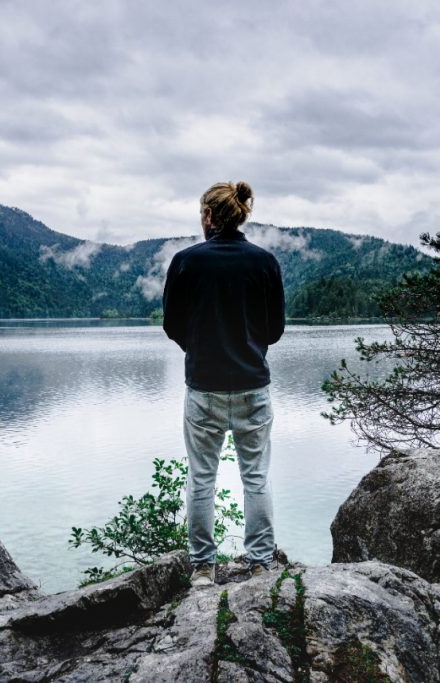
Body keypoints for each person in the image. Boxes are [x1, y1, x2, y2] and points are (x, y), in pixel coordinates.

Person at [162, 180, 285, 587]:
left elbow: (172, 325)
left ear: (210, 217)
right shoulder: (264, 263)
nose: (201, 220)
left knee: (201, 478)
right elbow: (275, 330)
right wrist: (247, 347)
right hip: (252, 385)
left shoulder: (185, 262)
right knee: (256, 478)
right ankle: (262, 564)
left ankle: (202, 568)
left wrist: (199, 348)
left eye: (201, 214)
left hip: (203, 388)